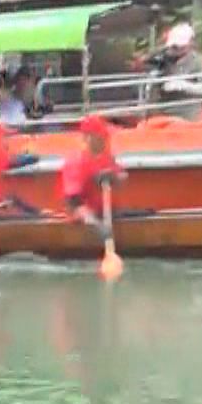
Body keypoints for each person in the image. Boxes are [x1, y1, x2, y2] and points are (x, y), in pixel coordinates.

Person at [62, 115, 126, 280]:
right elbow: (73, 202)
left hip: (105, 212)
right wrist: (98, 227)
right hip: (82, 217)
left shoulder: (106, 156)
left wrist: (113, 177)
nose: (106, 140)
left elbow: (122, 175)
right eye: (102, 137)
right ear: (90, 138)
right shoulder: (75, 162)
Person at [153, 24, 202, 121]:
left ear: (190, 44)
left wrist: (184, 85)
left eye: (180, 46)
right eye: (174, 47)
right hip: (164, 112)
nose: (177, 50)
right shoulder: (163, 57)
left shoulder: (198, 61)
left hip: (188, 114)